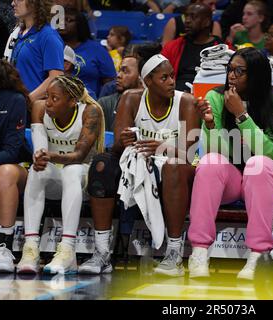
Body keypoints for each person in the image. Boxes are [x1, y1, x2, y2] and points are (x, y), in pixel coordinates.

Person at [78, 45, 200, 276]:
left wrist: (161, 147)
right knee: (102, 164)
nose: (171, 81)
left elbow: (189, 153)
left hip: (177, 166)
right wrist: (123, 140)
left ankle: (174, 254)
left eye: (172, 76)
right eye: (164, 77)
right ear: (148, 81)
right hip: (139, 163)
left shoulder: (186, 102)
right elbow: (117, 149)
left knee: (173, 167)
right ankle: (102, 252)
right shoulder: (131, 99)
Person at [188, 47, 273, 280]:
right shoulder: (215, 97)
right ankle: (199, 251)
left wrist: (241, 116)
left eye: (239, 71)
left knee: (259, 164)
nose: (231, 76)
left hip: (270, 179)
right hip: (234, 179)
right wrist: (209, 125)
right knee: (209, 163)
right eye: (230, 69)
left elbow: (272, 152)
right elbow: (217, 152)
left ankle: (258, 255)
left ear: (256, 74)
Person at [17, 75, 105, 274]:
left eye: (54, 98)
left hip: (82, 180)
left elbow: (80, 155)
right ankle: (30, 249)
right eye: (47, 96)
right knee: (36, 169)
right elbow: (40, 152)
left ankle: (67, 250)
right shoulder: (40, 109)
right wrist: (41, 157)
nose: (47, 102)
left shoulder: (90, 111)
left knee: (71, 169)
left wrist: (52, 155)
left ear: (72, 102)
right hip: (55, 180)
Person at [0, 51, 31, 273]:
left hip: (15, 168)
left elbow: (12, 151)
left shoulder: (14, 100)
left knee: (3, 172)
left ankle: (4, 245)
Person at [9, 0, 64, 102]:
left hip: (35, 107)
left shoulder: (48, 35)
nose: (13, 3)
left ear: (35, 3)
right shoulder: (19, 33)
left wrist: (28, 100)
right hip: (17, 103)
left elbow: (56, 77)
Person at [162, 3, 223, 92]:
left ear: (207, 22)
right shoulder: (173, 46)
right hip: (176, 95)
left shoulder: (222, 49)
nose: (187, 21)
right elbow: (161, 74)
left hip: (208, 96)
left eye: (193, 17)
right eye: (186, 16)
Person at [59, 7, 116, 98]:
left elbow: (109, 82)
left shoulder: (97, 49)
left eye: (69, 20)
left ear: (80, 25)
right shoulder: (51, 47)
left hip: (88, 101)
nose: (62, 23)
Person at [98, 53, 142, 132]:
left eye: (125, 71)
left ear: (140, 76)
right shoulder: (104, 104)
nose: (118, 75)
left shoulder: (150, 105)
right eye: (119, 70)